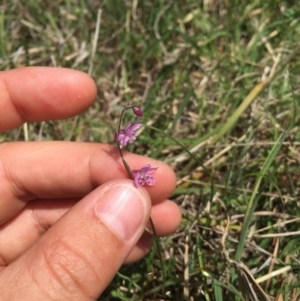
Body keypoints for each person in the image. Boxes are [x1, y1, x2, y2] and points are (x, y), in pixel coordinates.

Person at [0, 67, 181, 300]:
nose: (128, 138)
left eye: (128, 135)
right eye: (125, 136)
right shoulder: (123, 153)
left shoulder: (131, 161)